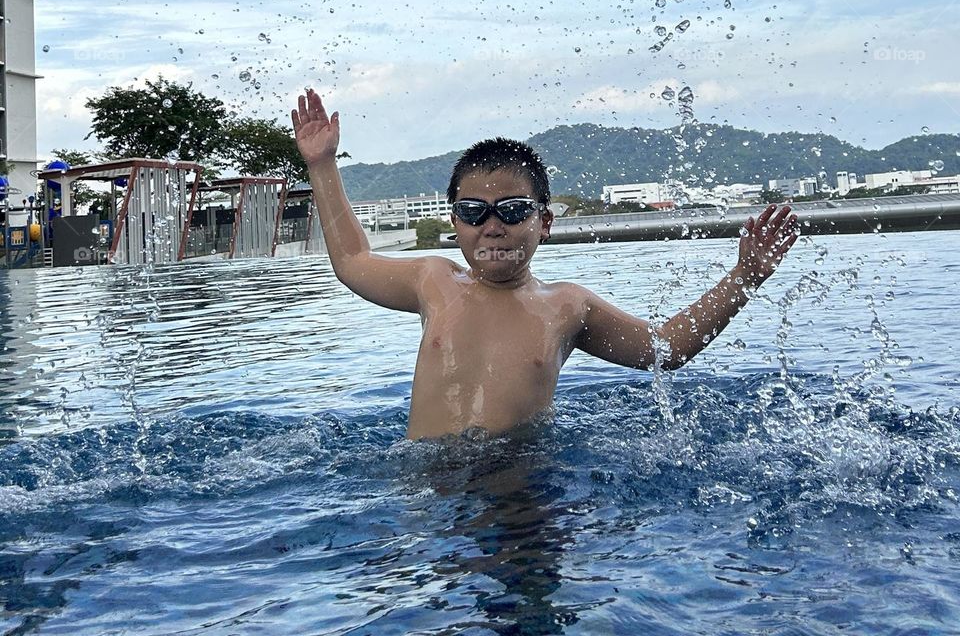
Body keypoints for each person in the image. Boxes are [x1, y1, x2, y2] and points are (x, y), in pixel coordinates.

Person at [292, 87, 799, 441]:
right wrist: (322, 164)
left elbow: (666, 349)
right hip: (426, 484)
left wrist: (745, 277)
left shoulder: (565, 307)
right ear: (456, 222)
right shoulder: (434, 281)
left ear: (545, 223)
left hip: (521, 488)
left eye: (513, 211)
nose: (493, 227)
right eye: (474, 213)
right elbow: (353, 260)